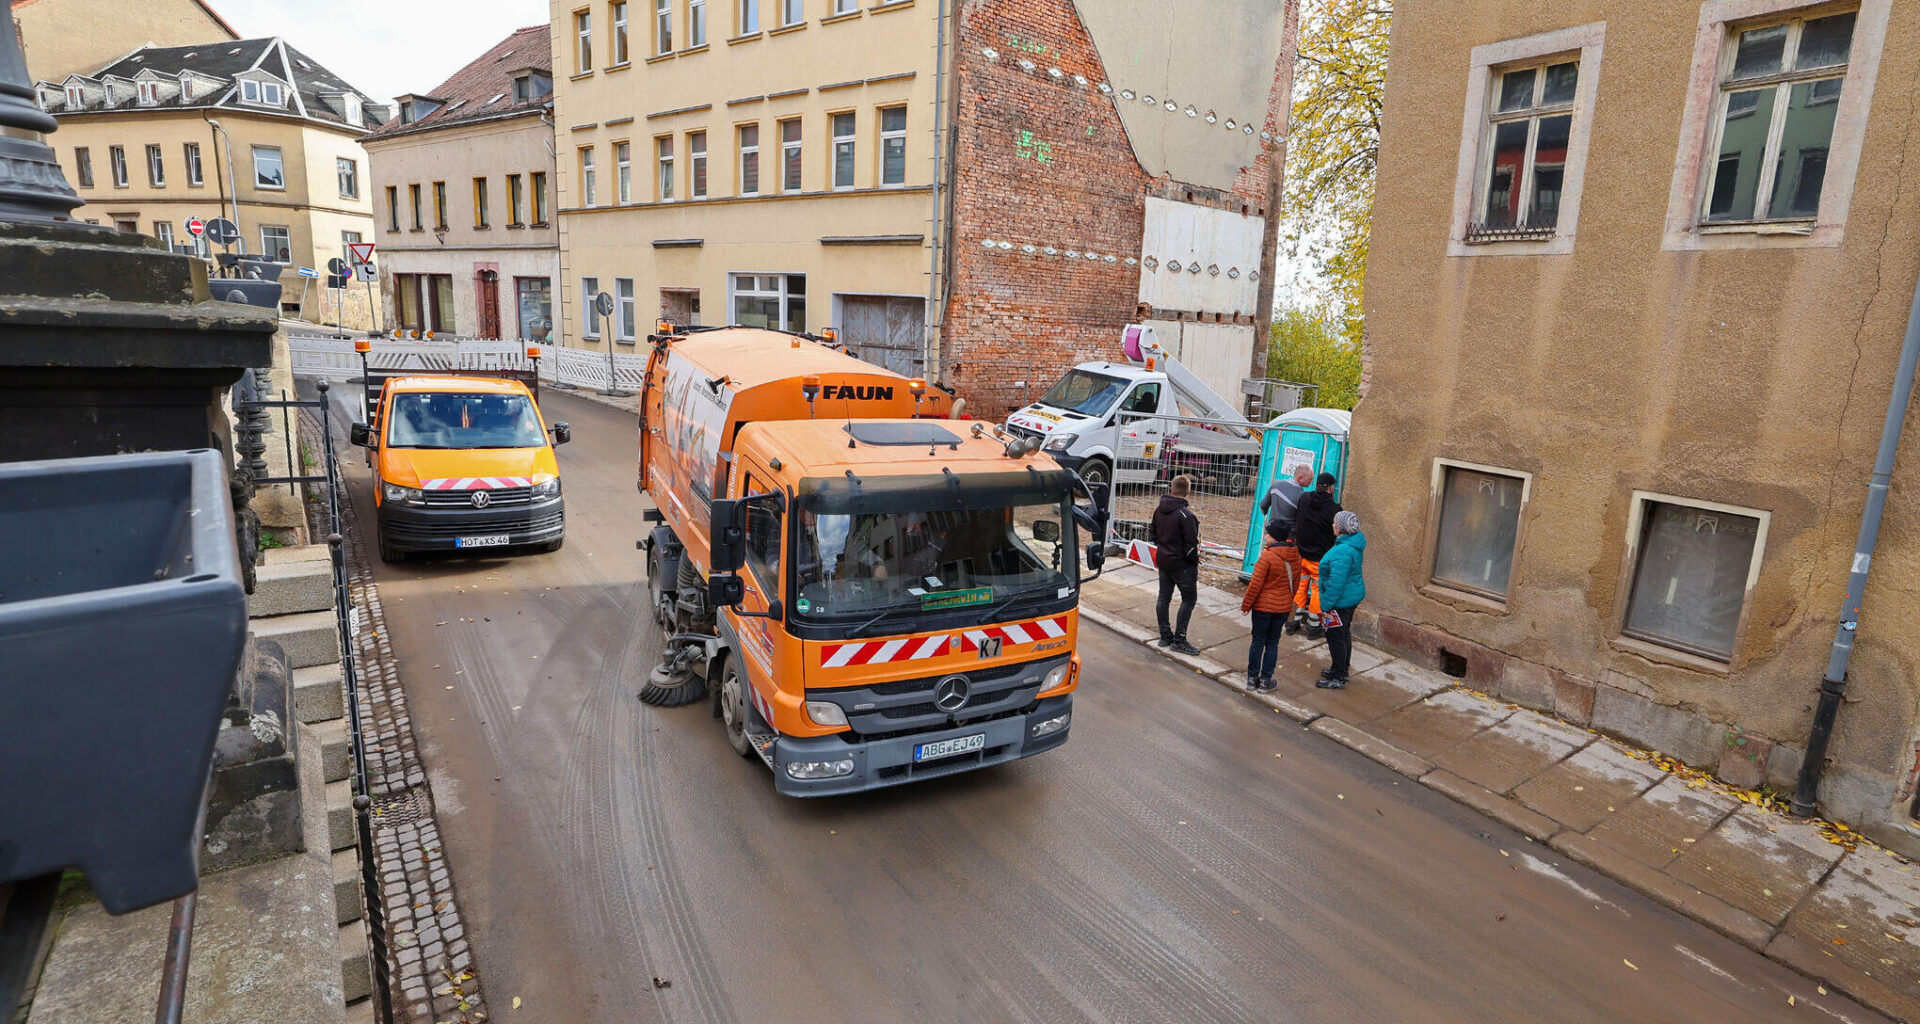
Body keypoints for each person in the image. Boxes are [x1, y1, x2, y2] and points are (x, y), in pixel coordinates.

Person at [1239, 518, 1297, 691]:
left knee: (1257, 641)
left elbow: (1255, 585)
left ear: (1275, 537)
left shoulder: (1267, 557)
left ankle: (1252, 678)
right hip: (1282, 608)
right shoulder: (1295, 556)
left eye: (1268, 534)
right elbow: (1296, 583)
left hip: (1263, 608)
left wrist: (1246, 606)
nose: (1265, 537)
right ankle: (1266, 680)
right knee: (1272, 643)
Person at [1316, 510, 1367, 689]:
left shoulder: (1342, 551)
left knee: (1336, 637)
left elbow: (1336, 582)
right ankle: (1341, 669)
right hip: (1350, 597)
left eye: (1335, 523)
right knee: (1344, 633)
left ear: (1341, 528)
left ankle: (1337, 676)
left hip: (1340, 601)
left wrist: (1327, 605)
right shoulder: (1352, 543)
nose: (1332, 525)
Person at [1151, 474, 1202, 655]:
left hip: (1164, 560)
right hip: (1181, 565)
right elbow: (1191, 545)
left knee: (1164, 597)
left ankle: (1165, 636)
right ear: (1188, 492)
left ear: (1171, 489)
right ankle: (1179, 640)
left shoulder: (1159, 510)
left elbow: (1153, 536)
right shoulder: (1186, 516)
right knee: (1189, 599)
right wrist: (1194, 562)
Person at [1260, 464, 1313, 634]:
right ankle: (1284, 612)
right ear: (1300, 478)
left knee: (1267, 572)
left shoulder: (1275, 486)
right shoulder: (1302, 496)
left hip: (1272, 538)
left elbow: (1263, 506)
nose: (1311, 482)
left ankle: (1264, 606)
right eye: (1309, 479)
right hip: (1290, 540)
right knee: (1287, 578)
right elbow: (1303, 521)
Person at [1291, 473, 1343, 640]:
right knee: (1317, 591)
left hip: (1301, 554)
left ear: (1317, 485)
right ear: (1331, 488)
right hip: (1319, 559)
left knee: (1300, 586)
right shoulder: (1335, 509)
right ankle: (1313, 627)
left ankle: (1292, 622)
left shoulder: (1305, 498)